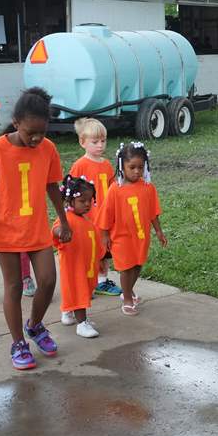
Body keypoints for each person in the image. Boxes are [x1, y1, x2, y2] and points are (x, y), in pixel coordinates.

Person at [0, 87, 69, 371]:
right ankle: (18, 343)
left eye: (42, 132)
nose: (37, 139)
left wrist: (64, 219)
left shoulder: (48, 149)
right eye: (30, 133)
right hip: (4, 230)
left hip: (35, 228)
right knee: (13, 287)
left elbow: (52, 185)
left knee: (48, 280)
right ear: (16, 123)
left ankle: (35, 326)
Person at [98, 142, 166, 315]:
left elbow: (153, 212)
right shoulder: (115, 189)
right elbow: (106, 213)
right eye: (132, 167)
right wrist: (105, 235)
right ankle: (127, 296)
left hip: (141, 236)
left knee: (137, 265)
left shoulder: (148, 188)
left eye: (140, 167)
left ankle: (129, 290)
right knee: (126, 267)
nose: (137, 171)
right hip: (121, 237)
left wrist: (158, 231)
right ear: (122, 166)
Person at [69, 117, 122, 297]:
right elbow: (71, 192)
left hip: (104, 218)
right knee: (87, 251)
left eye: (103, 141)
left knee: (104, 251)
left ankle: (101, 281)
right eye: (95, 142)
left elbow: (113, 188)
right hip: (88, 218)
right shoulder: (79, 165)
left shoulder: (106, 164)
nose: (100, 145)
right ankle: (85, 283)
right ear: (82, 142)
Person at [54, 175, 103, 338]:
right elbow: (55, 229)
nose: (88, 204)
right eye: (83, 201)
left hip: (87, 265)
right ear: (69, 201)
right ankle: (82, 323)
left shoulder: (87, 221)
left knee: (79, 290)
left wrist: (100, 258)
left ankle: (68, 312)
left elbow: (95, 242)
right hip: (73, 266)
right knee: (79, 291)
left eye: (90, 200)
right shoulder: (67, 219)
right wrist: (60, 231)